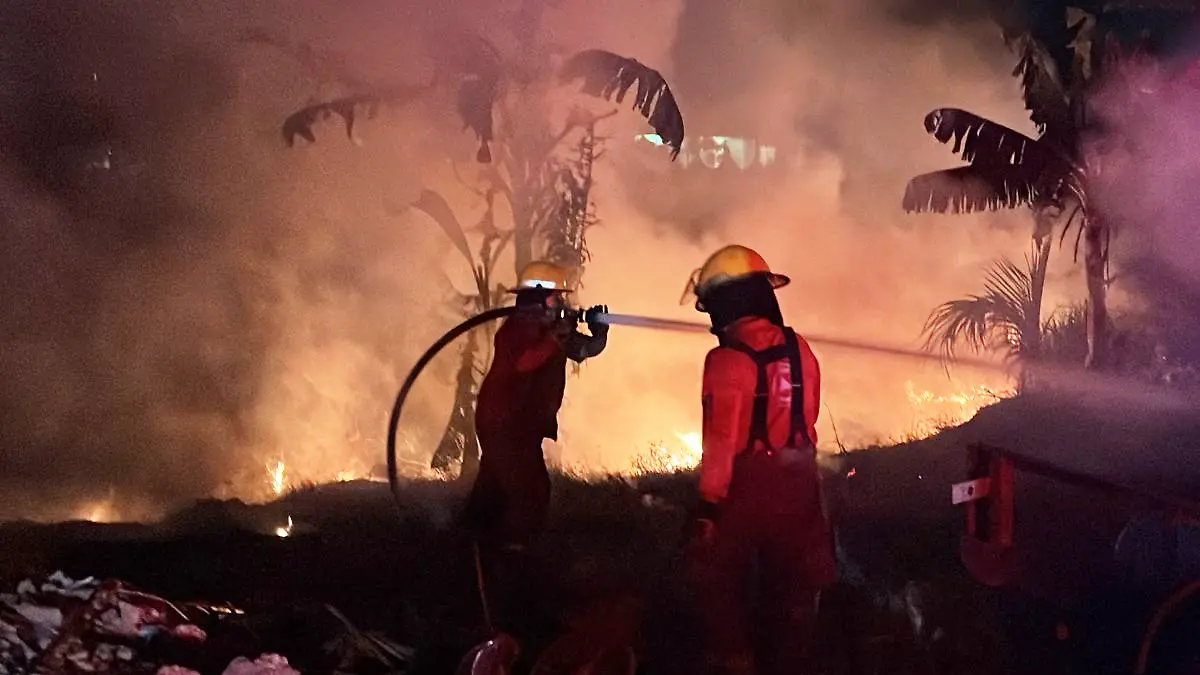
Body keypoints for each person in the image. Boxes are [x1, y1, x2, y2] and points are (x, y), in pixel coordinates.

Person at [680, 245, 837, 675]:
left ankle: (735, 659)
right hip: (800, 479)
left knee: (713, 572)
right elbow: (807, 417)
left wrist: (709, 505)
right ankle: (790, 659)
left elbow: (722, 441)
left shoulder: (726, 360)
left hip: (749, 486)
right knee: (795, 584)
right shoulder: (799, 347)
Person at [464, 260, 608, 647]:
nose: (559, 304)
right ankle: (515, 576)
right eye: (555, 298)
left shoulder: (549, 330)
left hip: (521, 427)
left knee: (494, 491)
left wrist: (598, 332)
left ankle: (472, 550)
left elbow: (583, 349)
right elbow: (525, 361)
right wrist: (555, 335)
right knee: (531, 494)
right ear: (541, 299)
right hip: (504, 424)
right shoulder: (516, 329)